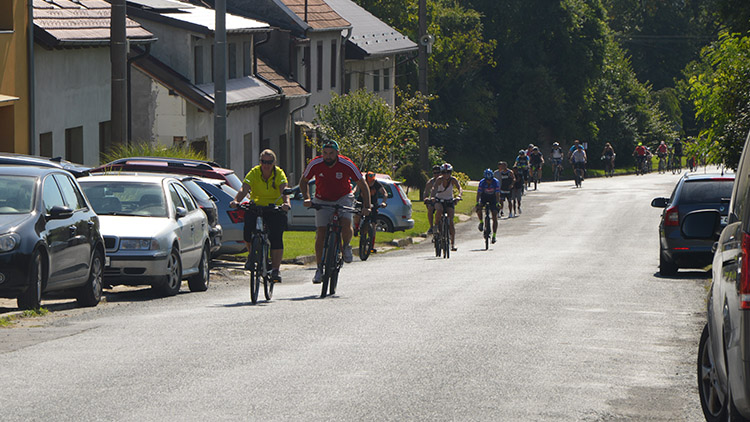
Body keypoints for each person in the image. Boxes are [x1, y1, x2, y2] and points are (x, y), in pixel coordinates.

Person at [299, 139, 370, 284]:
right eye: (325, 153)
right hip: (322, 199)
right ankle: (319, 269)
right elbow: (303, 181)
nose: (328, 156)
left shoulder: (347, 164)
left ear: (337, 153)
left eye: (331, 153)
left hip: (343, 197)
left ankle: (346, 246)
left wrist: (367, 206)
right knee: (321, 232)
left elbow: (362, 184)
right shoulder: (315, 163)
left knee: (345, 223)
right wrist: (307, 198)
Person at [230, 149, 291, 283]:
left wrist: (286, 203)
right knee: (247, 231)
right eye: (263, 162)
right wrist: (236, 201)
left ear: (274, 163)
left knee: (276, 237)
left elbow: (284, 189)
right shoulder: (255, 172)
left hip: (274, 207)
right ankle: (252, 255)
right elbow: (244, 188)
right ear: (260, 162)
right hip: (256, 206)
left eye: (269, 162)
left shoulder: (279, 173)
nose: (266, 165)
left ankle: (275, 269)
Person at [430, 163, 462, 251]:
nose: (446, 175)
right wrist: (432, 197)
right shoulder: (439, 180)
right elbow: (434, 189)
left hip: (449, 201)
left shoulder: (453, 180)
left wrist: (459, 196)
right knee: (439, 210)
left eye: (448, 172)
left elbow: (459, 188)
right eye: (444, 172)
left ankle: (452, 244)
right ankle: (436, 225)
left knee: (451, 221)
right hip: (439, 200)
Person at [353, 171, 387, 253]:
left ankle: (371, 245)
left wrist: (384, 202)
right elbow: (355, 190)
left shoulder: (377, 184)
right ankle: (356, 227)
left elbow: (384, 193)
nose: (371, 181)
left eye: (373, 179)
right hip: (361, 203)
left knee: (374, 225)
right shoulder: (362, 183)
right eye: (370, 179)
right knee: (357, 215)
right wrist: (352, 195)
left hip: (373, 205)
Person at [476, 168, 501, 244]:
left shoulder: (496, 182)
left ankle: (494, 235)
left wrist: (497, 202)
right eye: (487, 180)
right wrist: (477, 203)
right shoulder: (482, 182)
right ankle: (481, 222)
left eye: (490, 180)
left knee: (494, 215)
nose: (489, 181)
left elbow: (497, 194)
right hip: (484, 197)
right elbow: (479, 194)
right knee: (479, 208)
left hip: (493, 198)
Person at [423, 165, 441, 235]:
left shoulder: (444, 180)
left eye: (438, 172)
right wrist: (425, 198)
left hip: (442, 199)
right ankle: (431, 227)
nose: (436, 174)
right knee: (430, 209)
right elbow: (426, 191)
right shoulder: (431, 182)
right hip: (434, 200)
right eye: (435, 173)